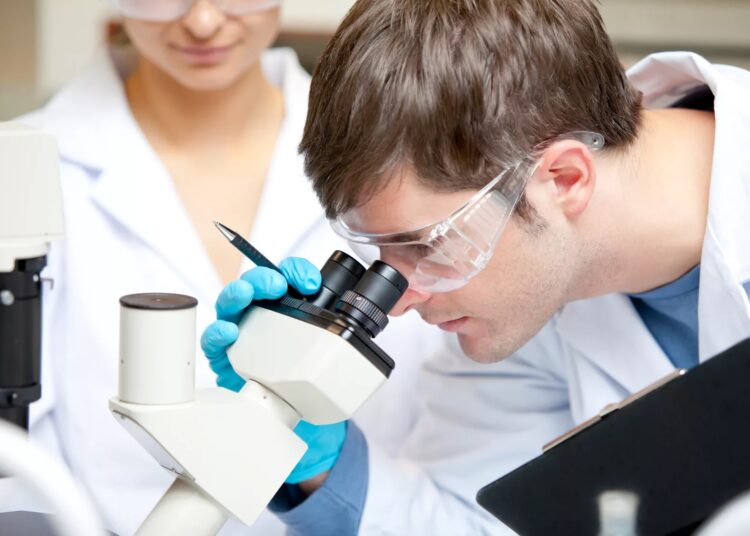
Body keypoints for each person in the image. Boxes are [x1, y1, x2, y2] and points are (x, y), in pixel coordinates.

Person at [202, 0, 750, 533]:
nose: (398, 301)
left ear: (564, 179)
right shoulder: (528, 298)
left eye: (427, 245)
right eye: (379, 256)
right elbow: (470, 518)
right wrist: (318, 459)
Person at [15, 1, 441, 534]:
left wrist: (324, 468)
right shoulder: (23, 167)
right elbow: (15, 460)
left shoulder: (407, 152)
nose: (202, 21)